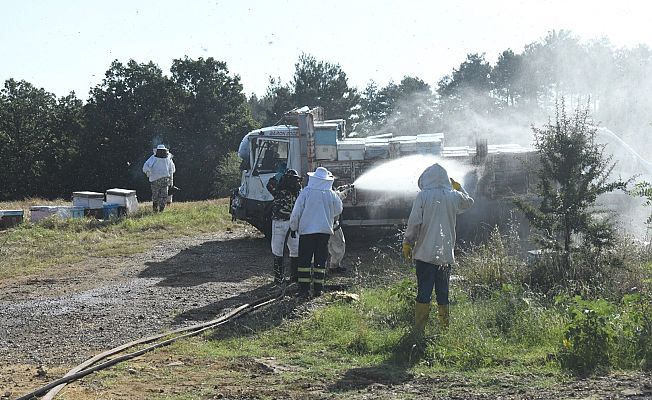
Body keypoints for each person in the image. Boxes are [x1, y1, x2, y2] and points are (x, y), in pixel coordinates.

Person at [402, 163, 474, 331]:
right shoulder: (453, 195)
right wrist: (460, 188)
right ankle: (444, 328)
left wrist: (408, 242)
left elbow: (414, 223)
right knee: (443, 293)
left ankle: (419, 329)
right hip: (445, 256)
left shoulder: (422, 196)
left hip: (424, 255)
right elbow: (469, 202)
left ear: (426, 179)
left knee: (424, 292)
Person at [289, 167, 343, 298]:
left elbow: (297, 211)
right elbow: (338, 209)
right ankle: (318, 290)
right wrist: (327, 214)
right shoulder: (331, 194)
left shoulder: (306, 192)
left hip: (307, 233)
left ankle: (304, 290)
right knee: (320, 260)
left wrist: (293, 227)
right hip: (324, 233)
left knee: (304, 261)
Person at [266, 169, 302, 285]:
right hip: (284, 222)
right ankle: (285, 277)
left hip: (287, 223)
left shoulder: (289, 191)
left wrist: (276, 176)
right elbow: (269, 185)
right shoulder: (290, 191)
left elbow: (269, 185)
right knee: (284, 249)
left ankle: (287, 277)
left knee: (289, 248)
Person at [143, 144, 176, 212]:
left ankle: (157, 209)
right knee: (163, 195)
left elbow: (145, 165)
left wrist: (148, 172)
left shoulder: (154, 158)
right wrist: (171, 182)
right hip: (164, 180)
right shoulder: (166, 158)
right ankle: (160, 210)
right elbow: (172, 170)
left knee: (157, 195)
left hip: (156, 180)